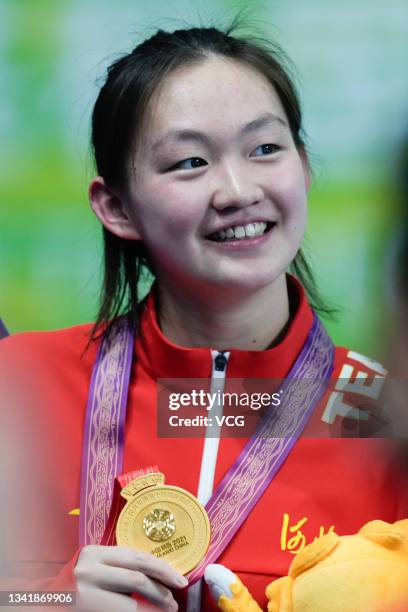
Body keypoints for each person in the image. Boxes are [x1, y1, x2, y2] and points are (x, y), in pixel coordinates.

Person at [1, 24, 407, 612]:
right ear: (115, 207)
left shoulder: (382, 415)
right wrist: (48, 602)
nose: (238, 190)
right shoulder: (22, 383)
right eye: (190, 161)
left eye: (265, 149)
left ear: (304, 168)